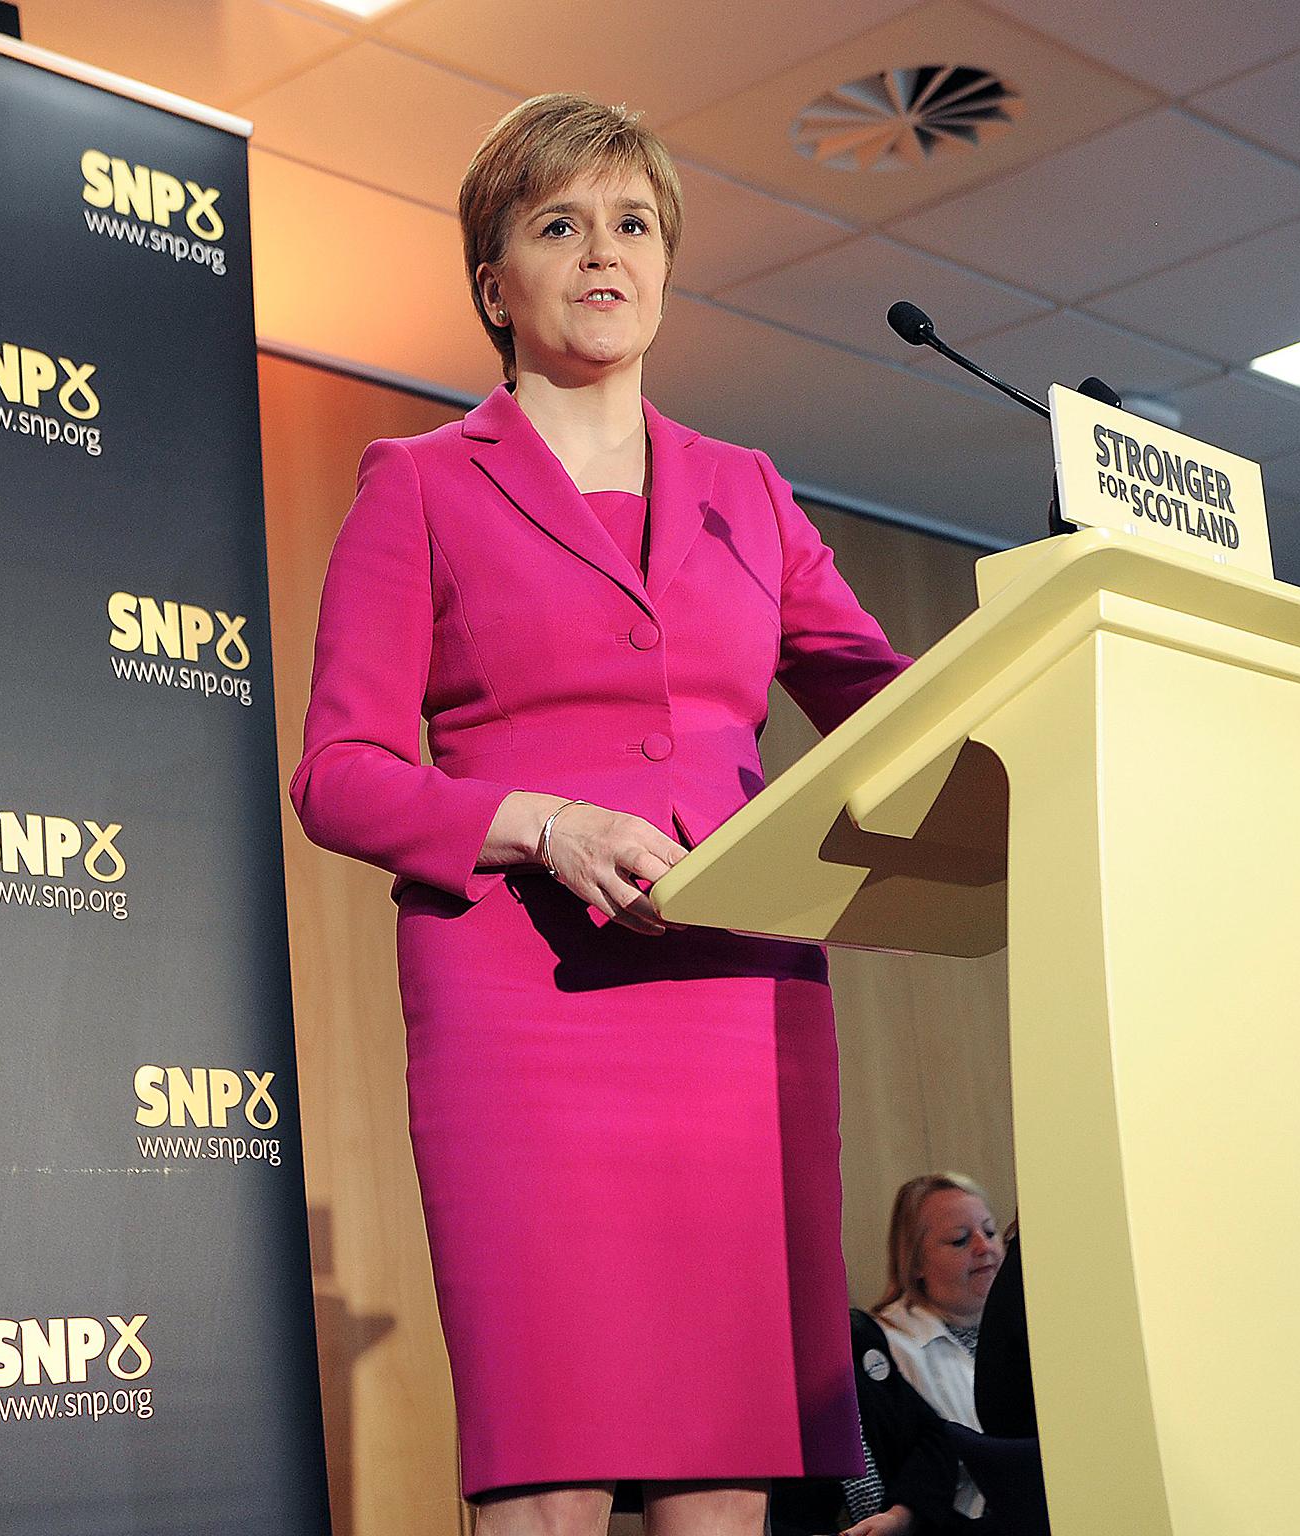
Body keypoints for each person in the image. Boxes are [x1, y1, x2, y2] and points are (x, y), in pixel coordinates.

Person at [290, 92, 912, 1535]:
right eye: (558, 223)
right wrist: (539, 823)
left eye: (633, 223)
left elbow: (887, 707)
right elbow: (340, 774)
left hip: (737, 1004)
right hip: (527, 1012)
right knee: (546, 1479)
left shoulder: (750, 492)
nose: (603, 252)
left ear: (669, 267)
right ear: (492, 284)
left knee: (723, 1482)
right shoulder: (422, 486)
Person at [770, 1310, 970, 1536]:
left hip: (910, 1522)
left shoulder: (855, 1332)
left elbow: (931, 1435)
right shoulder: (740, 1368)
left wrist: (902, 1514)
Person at [871, 1174, 1006, 1432]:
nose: (984, 1247)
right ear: (916, 1262)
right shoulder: (892, 1348)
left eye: (989, 1231)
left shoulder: (1026, 1328)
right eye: (960, 1240)